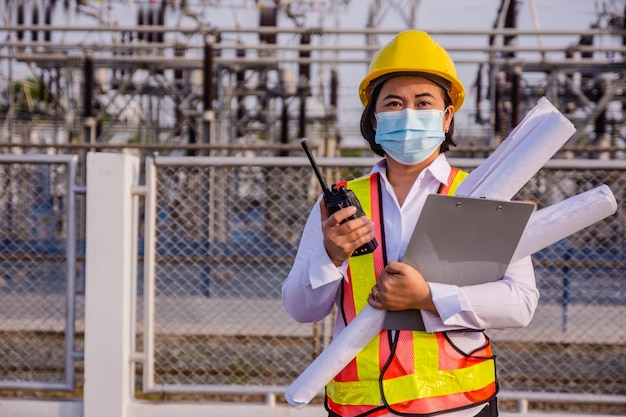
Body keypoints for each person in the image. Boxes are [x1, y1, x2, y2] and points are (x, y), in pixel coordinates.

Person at [282, 30, 539, 417]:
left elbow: (520, 303)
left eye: (423, 103)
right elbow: (301, 308)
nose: (408, 115)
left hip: (459, 407)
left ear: (447, 115)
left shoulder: (482, 194)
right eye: (394, 104)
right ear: (374, 118)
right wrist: (331, 258)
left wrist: (428, 298)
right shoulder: (336, 203)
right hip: (362, 408)